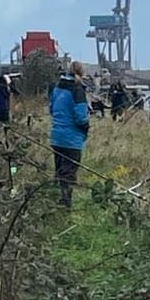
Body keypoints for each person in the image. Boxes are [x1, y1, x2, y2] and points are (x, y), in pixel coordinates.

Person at [49, 61, 90, 209]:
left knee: (60, 172)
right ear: (81, 73)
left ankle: (56, 201)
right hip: (71, 139)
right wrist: (86, 127)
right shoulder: (77, 90)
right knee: (68, 175)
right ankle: (65, 205)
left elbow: (52, 109)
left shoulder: (57, 87)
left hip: (56, 136)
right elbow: (81, 116)